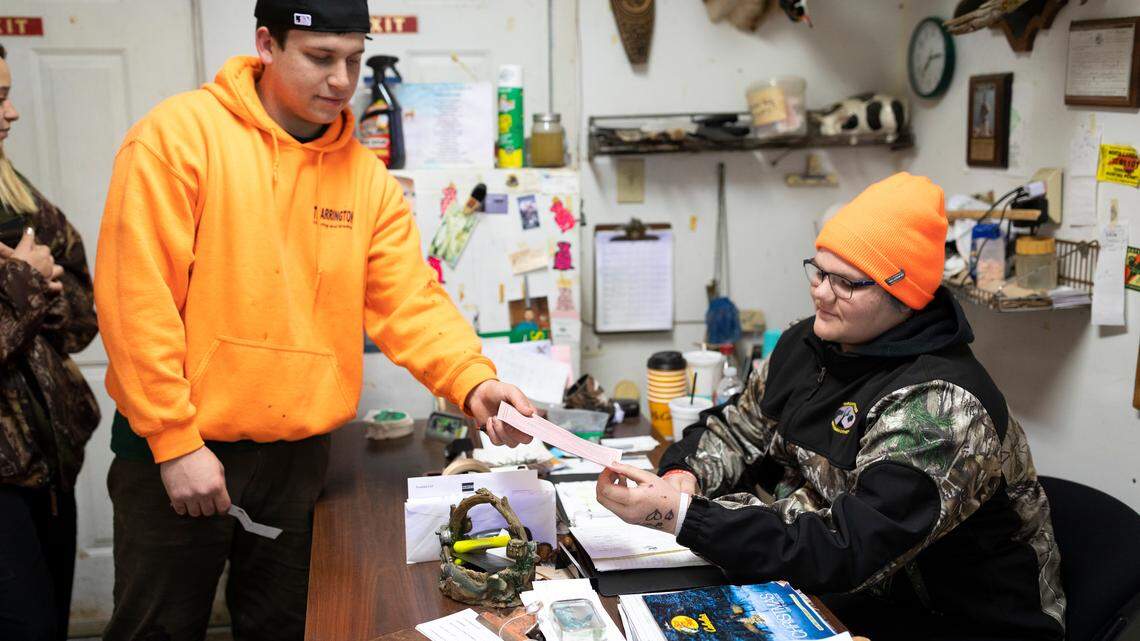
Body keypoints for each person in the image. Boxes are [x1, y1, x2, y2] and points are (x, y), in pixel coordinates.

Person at [94, 2, 534, 640]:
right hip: (177, 447)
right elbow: (136, 300)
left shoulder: (365, 179)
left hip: (295, 460)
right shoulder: (176, 137)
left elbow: (409, 300)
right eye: (320, 58)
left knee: (287, 627)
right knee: (156, 630)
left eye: (353, 59)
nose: (341, 79)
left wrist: (473, 380)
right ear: (267, 44)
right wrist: (174, 440)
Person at [597, 173, 1065, 641]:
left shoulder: (940, 408)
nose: (821, 292)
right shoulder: (812, 340)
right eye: (819, 271)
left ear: (903, 296)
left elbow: (846, 548)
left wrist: (680, 514)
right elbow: (739, 428)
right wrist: (685, 475)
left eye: (845, 283)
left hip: (956, 620)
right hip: (846, 597)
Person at [0, 43, 101, 641]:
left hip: (48, 466)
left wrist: (38, 289)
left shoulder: (19, 195)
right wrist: (27, 279)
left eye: (7, 94)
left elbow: (84, 317)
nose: (9, 113)